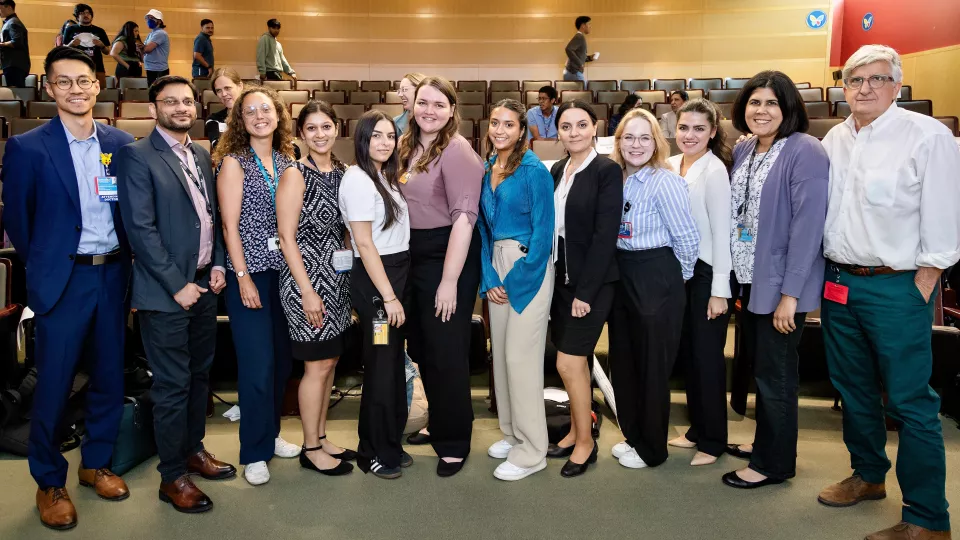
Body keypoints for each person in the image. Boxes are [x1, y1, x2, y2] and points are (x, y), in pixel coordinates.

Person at [818, 45, 960, 540]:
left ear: (896, 86)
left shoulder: (928, 136)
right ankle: (869, 476)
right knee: (853, 388)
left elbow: (945, 222)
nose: (865, 88)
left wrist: (921, 285)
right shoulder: (834, 138)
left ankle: (927, 518)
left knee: (910, 402)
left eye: (877, 79)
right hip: (838, 283)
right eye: (855, 80)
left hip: (898, 286)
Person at [1, 46, 134, 531]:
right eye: (64, 82)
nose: (76, 89)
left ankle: (96, 463)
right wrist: (44, 274)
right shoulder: (27, 146)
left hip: (113, 275)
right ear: (50, 88)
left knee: (108, 378)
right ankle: (49, 480)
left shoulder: (120, 143)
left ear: (98, 84)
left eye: (84, 80)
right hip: (63, 280)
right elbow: (18, 220)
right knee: (54, 385)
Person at [116, 75, 236, 514]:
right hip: (166, 292)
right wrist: (178, 284)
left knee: (200, 377)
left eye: (188, 101)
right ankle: (172, 477)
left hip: (205, 283)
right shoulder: (137, 156)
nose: (182, 107)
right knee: (172, 385)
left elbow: (213, 218)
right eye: (172, 102)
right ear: (154, 109)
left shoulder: (201, 153)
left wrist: (219, 263)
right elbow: (140, 232)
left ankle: (193, 450)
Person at [720, 70, 828, 489]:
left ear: (789, 108)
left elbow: (807, 228)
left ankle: (774, 464)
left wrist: (791, 296)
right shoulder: (747, 149)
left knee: (776, 374)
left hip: (781, 286)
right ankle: (768, 444)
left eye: (771, 103)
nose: (761, 111)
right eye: (754, 102)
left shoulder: (806, 150)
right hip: (749, 280)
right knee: (762, 368)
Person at [397, 76, 484, 477]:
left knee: (447, 351)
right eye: (422, 102)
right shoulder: (409, 145)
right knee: (425, 347)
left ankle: (454, 440)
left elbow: (464, 221)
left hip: (447, 256)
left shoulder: (457, 150)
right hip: (414, 256)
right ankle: (438, 422)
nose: (429, 110)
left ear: (452, 110)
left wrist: (449, 281)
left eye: (438, 104)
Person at [214, 86, 300, 486]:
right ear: (240, 120)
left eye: (266, 109)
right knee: (256, 364)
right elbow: (229, 226)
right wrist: (243, 276)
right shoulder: (234, 162)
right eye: (251, 111)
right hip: (250, 275)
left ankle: (272, 434)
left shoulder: (287, 160)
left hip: (285, 275)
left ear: (278, 115)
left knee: (282, 361)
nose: (260, 116)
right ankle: (253, 450)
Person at [607, 107, 699, 471]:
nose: (636, 144)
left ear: (657, 142)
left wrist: (675, 282)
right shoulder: (617, 178)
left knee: (651, 367)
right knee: (625, 362)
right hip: (623, 273)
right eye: (629, 137)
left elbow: (687, 240)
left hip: (656, 275)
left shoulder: (665, 181)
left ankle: (652, 448)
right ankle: (633, 434)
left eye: (645, 137)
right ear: (618, 142)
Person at [275, 100, 355, 477]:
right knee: (316, 364)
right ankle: (310, 447)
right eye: (312, 129)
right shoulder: (295, 173)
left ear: (336, 129)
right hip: (305, 281)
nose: (320, 134)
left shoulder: (343, 171)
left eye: (326, 127)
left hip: (337, 281)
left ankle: (322, 436)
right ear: (300, 134)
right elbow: (286, 238)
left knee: (331, 362)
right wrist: (307, 290)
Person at [478, 99, 555, 481]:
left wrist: (514, 280)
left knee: (520, 360)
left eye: (509, 125)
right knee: (502, 359)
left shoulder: (534, 171)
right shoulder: (487, 168)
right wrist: (489, 278)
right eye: (495, 123)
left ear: (522, 131)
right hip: (496, 265)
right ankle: (512, 434)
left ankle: (532, 451)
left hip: (529, 268)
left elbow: (544, 235)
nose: (500, 130)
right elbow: (481, 229)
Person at [546, 100, 621, 477]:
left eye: (581, 125)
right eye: (566, 126)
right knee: (575, 363)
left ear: (595, 128)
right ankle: (576, 428)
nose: (573, 132)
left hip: (591, 283)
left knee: (568, 361)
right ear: (557, 132)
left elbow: (606, 237)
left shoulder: (607, 171)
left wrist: (585, 294)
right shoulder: (559, 168)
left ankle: (587, 441)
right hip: (561, 277)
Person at [338, 110, 411, 479]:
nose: (384, 142)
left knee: (393, 365)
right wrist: (390, 297)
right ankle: (373, 452)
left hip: (394, 275)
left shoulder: (384, 176)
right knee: (382, 367)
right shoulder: (357, 179)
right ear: (362, 140)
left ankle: (391, 443)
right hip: (377, 286)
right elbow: (364, 244)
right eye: (375, 136)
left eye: (390, 135)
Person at [665, 99, 733, 467]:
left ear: (712, 132)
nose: (690, 135)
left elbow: (723, 234)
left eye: (699, 129)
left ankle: (713, 438)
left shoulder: (715, 170)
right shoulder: (671, 164)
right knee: (688, 354)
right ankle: (695, 429)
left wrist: (720, 291)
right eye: (684, 128)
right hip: (679, 272)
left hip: (708, 272)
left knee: (707, 358)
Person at [63, 4, 109, 88]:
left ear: (91, 16)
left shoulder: (99, 31)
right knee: (78, 90)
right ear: (77, 16)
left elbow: (107, 51)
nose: (86, 15)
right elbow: (63, 50)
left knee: (100, 92)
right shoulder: (70, 29)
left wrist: (102, 45)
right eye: (82, 13)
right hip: (75, 66)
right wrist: (71, 45)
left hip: (97, 67)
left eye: (88, 13)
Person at [204, 67, 243, 149]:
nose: (224, 94)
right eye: (219, 91)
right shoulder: (213, 120)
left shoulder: (255, 115)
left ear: (240, 86)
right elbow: (219, 148)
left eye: (227, 88)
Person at [0, 0, 29, 88]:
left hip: (14, 65)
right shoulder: (11, 22)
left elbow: (16, 42)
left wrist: (1, 44)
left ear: (8, 7)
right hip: (12, 64)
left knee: (17, 94)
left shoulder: (13, 22)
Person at [563, 16, 597, 84]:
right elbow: (568, 49)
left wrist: (590, 58)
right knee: (585, 93)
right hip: (574, 72)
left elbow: (579, 56)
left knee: (579, 93)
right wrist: (580, 64)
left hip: (572, 72)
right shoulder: (579, 36)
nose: (590, 27)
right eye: (589, 24)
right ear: (583, 25)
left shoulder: (580, 36)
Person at [393, 72, 425, 137]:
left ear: (419, 90)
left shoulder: (433, 120)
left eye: (404, 90)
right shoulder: (395, 122)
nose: (400, 95)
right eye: (399, 91)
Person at [142, 9, 169, 85]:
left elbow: (147, 49)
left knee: (157, 93)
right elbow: (143, 49)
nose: (149, 20)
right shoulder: (151, 34)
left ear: (159, 21)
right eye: (148, 18)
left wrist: (142, 48)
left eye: (152, 18)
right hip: (151, 68)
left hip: (158, 70)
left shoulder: (160, 33)